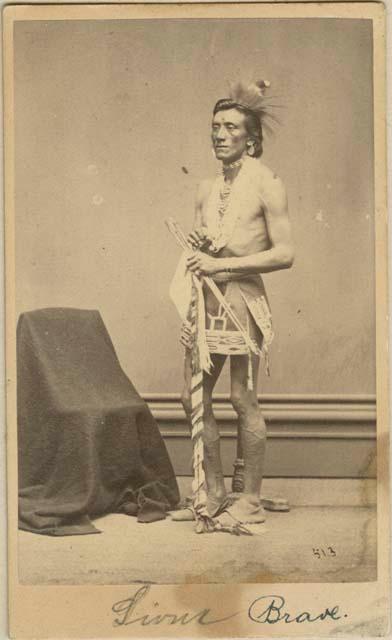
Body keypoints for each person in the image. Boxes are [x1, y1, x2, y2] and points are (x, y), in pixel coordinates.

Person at [172, 79, 294, 528]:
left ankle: (252, 499)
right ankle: (214, 493)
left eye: (229, 127)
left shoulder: (267, 183)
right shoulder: (206, 188)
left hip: (241, 299)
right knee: (192, 396)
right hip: (206, 300)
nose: (219, 135)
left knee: (241, 399)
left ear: (251, 137)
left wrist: (225, 266)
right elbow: (203, 242)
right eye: (215, 127)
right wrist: (201, 243)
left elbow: (285, 253)